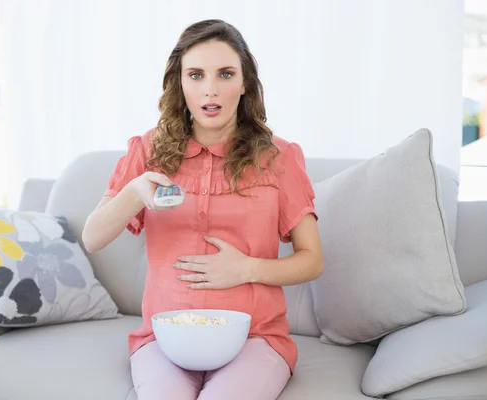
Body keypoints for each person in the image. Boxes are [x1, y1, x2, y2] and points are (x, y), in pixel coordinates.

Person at [82, 19, 323, 400]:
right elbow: (92, 238)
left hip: (254, 339)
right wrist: (133, 192)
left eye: (225, 74)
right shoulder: (147, 151)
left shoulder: (279, 157)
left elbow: (312, 260)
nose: (210, 89)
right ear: (180, 82)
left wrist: (247, 268)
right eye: (196, 75)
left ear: (244, 83)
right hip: (164, 339)